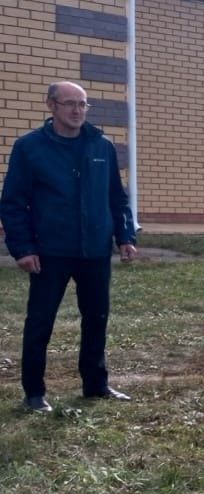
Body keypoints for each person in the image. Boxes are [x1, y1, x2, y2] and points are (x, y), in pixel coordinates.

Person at [2, 81, 138, 413]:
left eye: (83, 104)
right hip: (50, 252)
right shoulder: (30, 148)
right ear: (51, 106)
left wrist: (125, 237)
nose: (77, 111)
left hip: (94, 251)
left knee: (96, 318)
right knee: (40, 321)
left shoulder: (101, 146)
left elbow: (116, 198)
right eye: (69, 104)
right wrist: (22, 248)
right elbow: (13, 203)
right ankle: (34, 394)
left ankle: (96, 385)